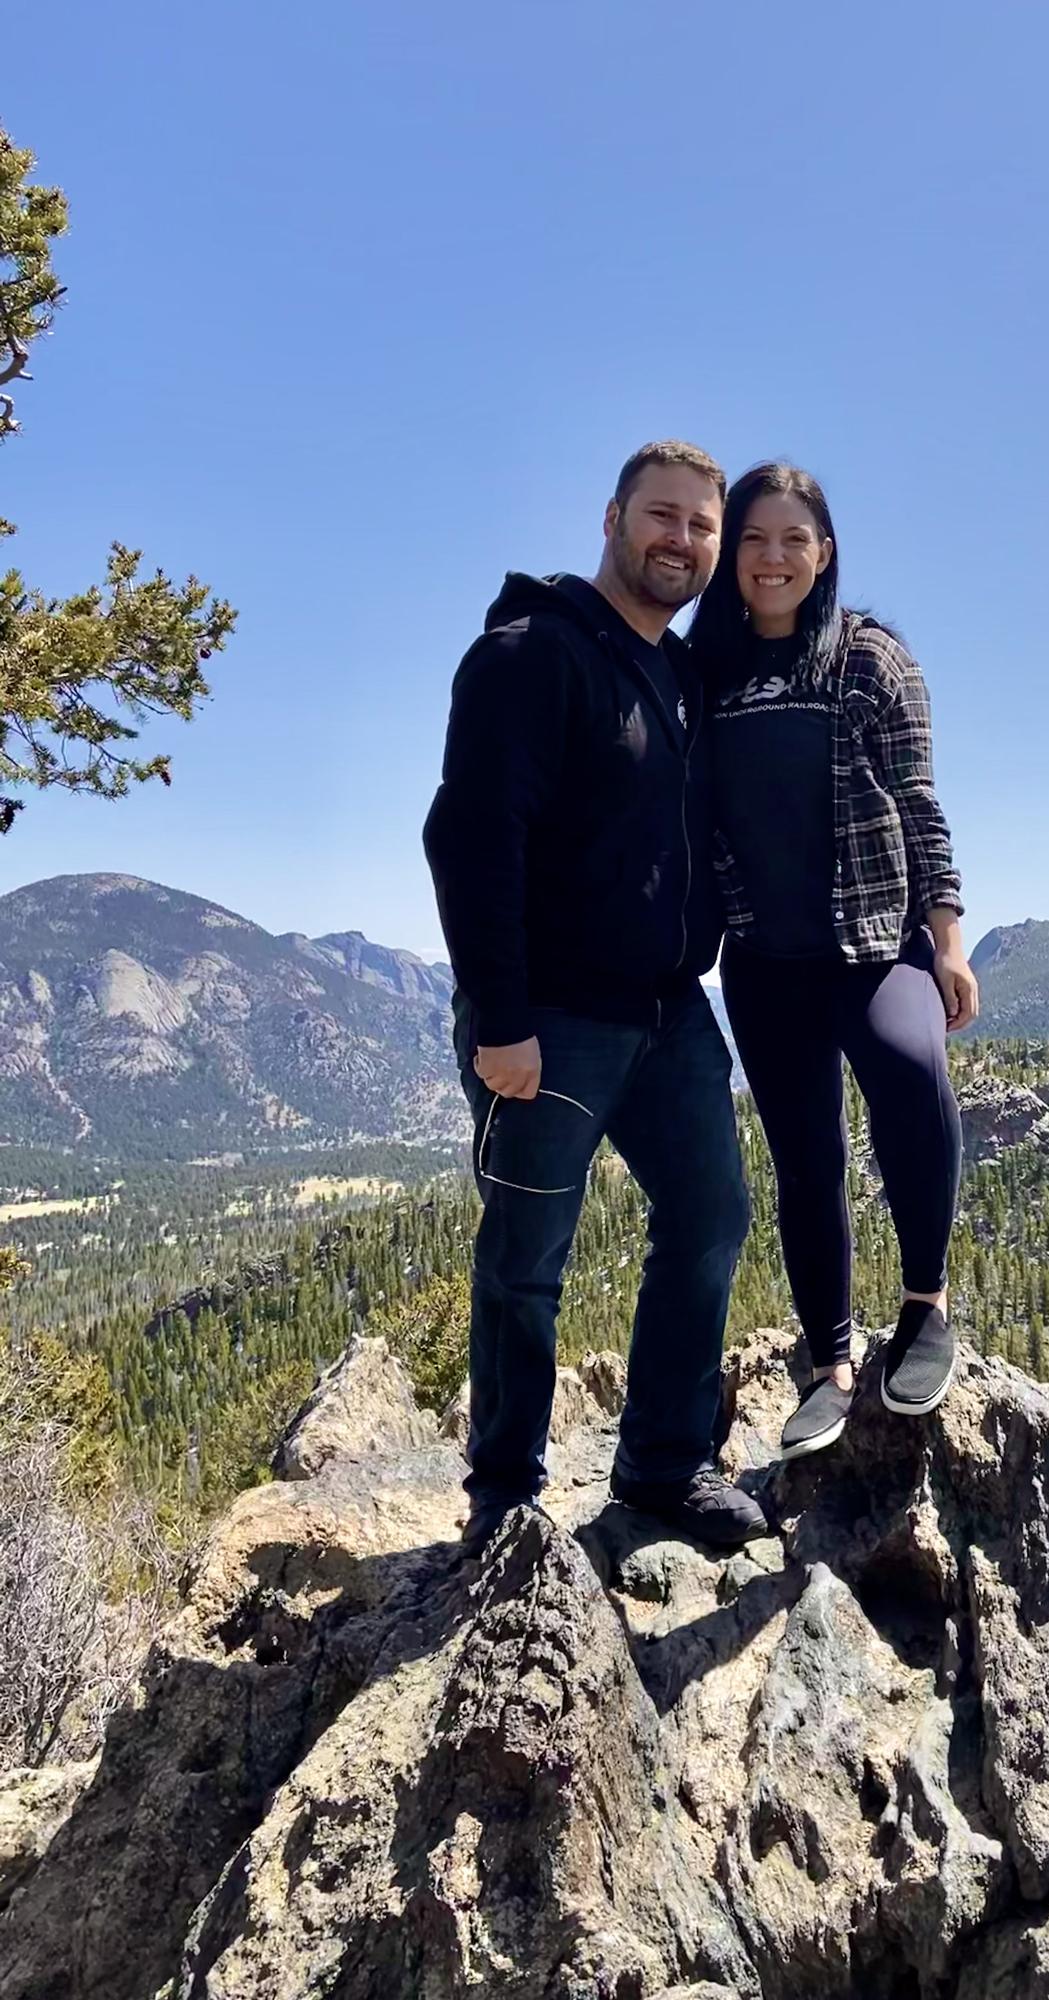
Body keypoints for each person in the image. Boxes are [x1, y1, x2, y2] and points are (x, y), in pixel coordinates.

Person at [423, 441, 767, 1553]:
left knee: (710, 1217)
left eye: (700, 528)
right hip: (552, 1021)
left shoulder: (678, 678)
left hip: (671, 1012)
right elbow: (472, 839)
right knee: (527, 1254)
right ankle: (506, 1494)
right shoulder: (532, 656)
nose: (682, 541)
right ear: (613, 517)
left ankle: (663, 1466)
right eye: (663, 517)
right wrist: (504, 1018)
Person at [690, 462, 978, 1462]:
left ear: (825, 550)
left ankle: (926, 1304)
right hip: (762, 960)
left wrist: (947, 939)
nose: (772, 558)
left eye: (793, 539)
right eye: (754, 538)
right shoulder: (710, 673)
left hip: (872, 944)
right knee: (805, 1156)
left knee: (909, 1068)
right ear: (732, 554)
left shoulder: (868, 659)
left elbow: (920, 802)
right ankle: (828, 1361)